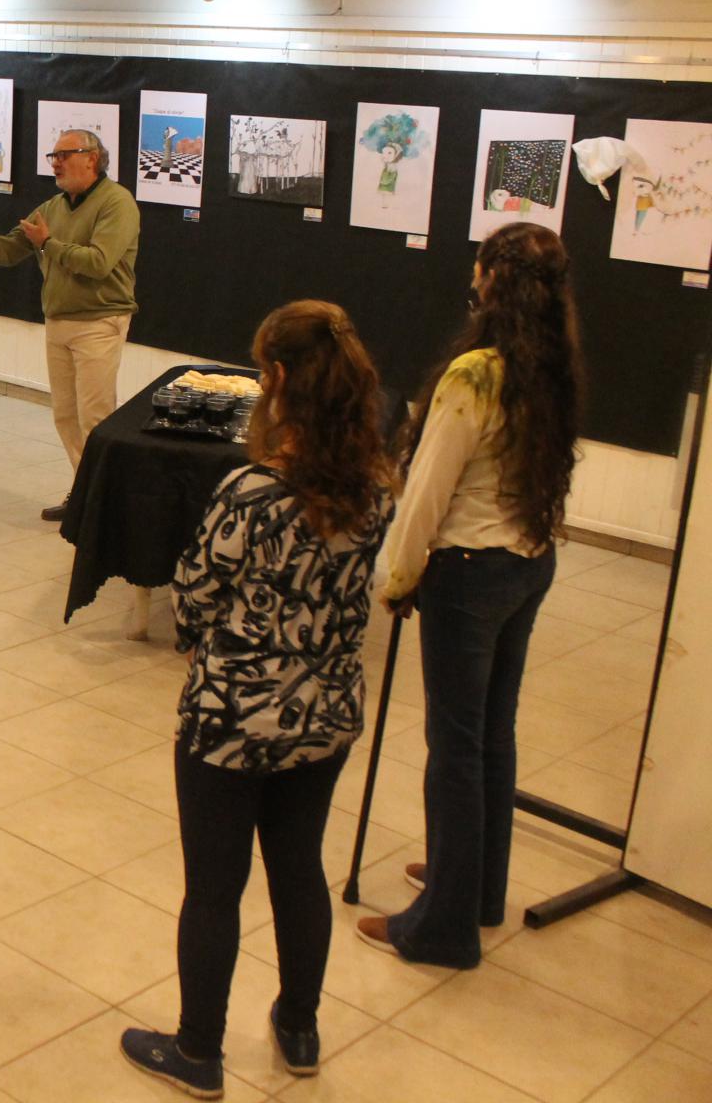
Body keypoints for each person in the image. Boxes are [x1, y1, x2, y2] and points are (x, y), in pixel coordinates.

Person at [119, 301, 393, 1098]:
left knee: (214, 886)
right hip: (326, 715)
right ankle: (299, 1027)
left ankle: (199, 1051)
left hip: (233, 720)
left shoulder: (249, 491)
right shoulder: (373, 489)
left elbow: (197, 596)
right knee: (299, 868)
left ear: (273, 380)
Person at [359, 222, 582, 969]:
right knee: (492, 735)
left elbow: (428, 490)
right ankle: (476, 882)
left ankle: (444, 926)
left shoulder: (476, 374)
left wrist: (396, 577)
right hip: (527, 561)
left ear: (492, 280)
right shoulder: (551, 364)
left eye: (480, 267)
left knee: (454, 747)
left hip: (470, 570)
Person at [0, 127, 141, 522]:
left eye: (64, 155)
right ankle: (85, 493)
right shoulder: (52, 207)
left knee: (95, 418)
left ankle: (106, 505)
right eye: (53, 157)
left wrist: (48, 244)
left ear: (92, 159)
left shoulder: (118, 203)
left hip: (99, 322)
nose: (55, 163)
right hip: (58, 323)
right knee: (65, 415)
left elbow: (98, 262)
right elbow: (10, 250)